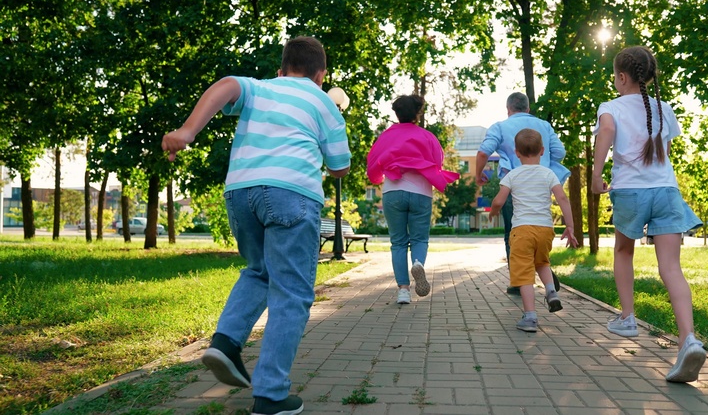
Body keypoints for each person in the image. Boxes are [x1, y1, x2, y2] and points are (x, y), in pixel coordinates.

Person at [162, 36, 351, 415]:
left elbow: (227, 85)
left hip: (241, 193)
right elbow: (339, 167)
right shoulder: (324, 103)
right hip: (292, 195)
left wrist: (187, 132)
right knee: (292, 293)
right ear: (321, 75)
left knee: (259, 270)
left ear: (280, 70)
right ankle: (271, 396)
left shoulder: (260, 87)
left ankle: (226, 342)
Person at [591, 45, 705, 383]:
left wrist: (597, 174)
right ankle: (689, 339)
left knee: (624, 251)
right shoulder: (664, 108)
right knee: (671, 267)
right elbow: (665, 152)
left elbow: (608, 132)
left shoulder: (610, 107)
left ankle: (628, 318)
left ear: (622, 77)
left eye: (615, 76)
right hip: (666, 190)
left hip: (630, 191)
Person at [367, 95, 459, 304]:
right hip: (420, 192)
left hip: (393, 191)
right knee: (419, 239)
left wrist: (377, 177)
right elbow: (437, 162)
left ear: (397, 114)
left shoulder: (386, 136)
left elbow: (372, 161)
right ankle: (417, 263)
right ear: (417, 114)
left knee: (398, 242)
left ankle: (403, 290)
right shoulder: (427, 137)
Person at [476, 92, 571, 294]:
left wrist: (478, 175)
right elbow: (560, 152)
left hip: (514, 184)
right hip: (542, 185)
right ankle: (543, 267)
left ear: (508, 109)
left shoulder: (500, 126)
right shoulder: (544, 126)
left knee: (514, 233)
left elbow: (484, 152)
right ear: (528, 109)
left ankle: (519, 282)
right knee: (539, 224)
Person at [489, 128, 578, 332]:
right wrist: (570, 226)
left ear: (517, 153)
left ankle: (530, 318)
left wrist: (494, 211)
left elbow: (499, 200)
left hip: (522, 230)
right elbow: (562, 199)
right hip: (545, 229)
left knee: (524, 273)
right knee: (542, 262)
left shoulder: (513, 175)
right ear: (542, 151)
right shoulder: (549, 174)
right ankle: (551, 292)